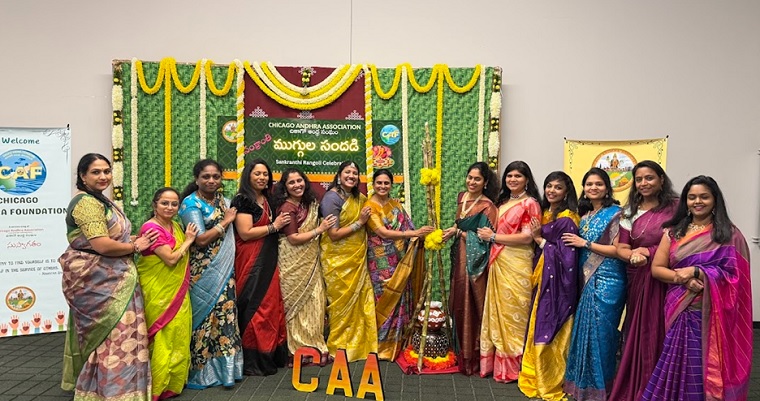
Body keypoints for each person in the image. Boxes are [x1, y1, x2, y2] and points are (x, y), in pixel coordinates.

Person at [641, 176, 752, 401]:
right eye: (692, 197)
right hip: (680, 309)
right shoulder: (673, 232)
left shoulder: (729, 234)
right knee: (675, 362)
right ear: (685, 201)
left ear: (715, 200)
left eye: (704, 197)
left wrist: (698, 272)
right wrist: (682, 278)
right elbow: (657, 269)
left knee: (703, 367)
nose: (697, 202)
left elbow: (737, 278)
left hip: (712, 315)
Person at [59, 153, 158, 400]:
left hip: (117, 277)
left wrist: (133, 240)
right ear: (82, 176)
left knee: (124, 333)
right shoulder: (86, 203)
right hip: (99, 282)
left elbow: (110, 239)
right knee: (115, 334)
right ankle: (109, 392)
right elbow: (102, 245)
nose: (103, 176)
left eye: (107, 171)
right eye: (96, 172)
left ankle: (123, 390)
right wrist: (135, 246)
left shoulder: (101, 200)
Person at [609, 161, 678, 401]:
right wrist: (632, 256)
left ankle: (666, 386)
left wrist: (648, 252)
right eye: (639, 179)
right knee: (641, 329)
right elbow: (622, 247)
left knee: (665, 328)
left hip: (668, 278)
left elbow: (682, 240)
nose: (643, 183)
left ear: (661, 179)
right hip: (638, 276)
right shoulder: (629, 211)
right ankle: (641, 382)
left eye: (649, 178)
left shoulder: (676, 208)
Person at [562, 167, 626, 401]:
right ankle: (583, 386)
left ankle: (602, 388)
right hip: (585, 279)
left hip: (609, 280)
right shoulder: (585, 215)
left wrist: (585, 243)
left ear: (607, 188)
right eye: (589, 184)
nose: (593, 188)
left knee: (602, 334)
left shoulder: (617, 214)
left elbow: (618, 250)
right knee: (585, 332)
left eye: (598, 184)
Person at [178, 159, 243, 388]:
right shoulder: (190, 204)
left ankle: (227, 372)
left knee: (226, 316)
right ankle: (201, 373)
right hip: (203, 271)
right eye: (206, 176)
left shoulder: (223, 201)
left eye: (216, 176)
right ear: (197, 179)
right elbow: (201, 239)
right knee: (205, 318)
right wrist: (225, 222)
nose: (211, 181)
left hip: (225, 270)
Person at [475, 161, 541, 382]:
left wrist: (493, 237)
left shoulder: (531, 203)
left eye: (518, 176)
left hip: (518, 263)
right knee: (498, 312)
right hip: (499, 261)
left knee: (516, 313)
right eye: (509, 176)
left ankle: (515, 366)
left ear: (527, 180)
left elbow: (527, 237)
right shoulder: (502, 202)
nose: (513, 179)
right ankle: (497, 365)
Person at [518, 171, 580, 401]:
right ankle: (534, 370)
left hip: (558, 282)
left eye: (558, 187)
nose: (552, 191)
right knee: (538, 319)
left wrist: (539, 239)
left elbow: (568, 257)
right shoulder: (545, 213)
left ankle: (549, 377)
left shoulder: (568, 219)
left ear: (567, 192)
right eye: (549, 186)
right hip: (542, 275)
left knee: (549, 321)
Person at [364, 169, 434, 360]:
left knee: (401, 296)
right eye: (379, 183)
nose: (383, 186)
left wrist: (421, 236)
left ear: (391, 185)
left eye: (386, 183)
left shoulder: (396, 205)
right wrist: (413, 234)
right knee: (384, 297)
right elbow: (383, 233)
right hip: (380, 261)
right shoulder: (369, 207)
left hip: (401, 259)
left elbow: (409, 227)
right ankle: (381, 345)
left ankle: (398, 342)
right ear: (373, 184)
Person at [136, 187, 198, 400]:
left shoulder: (175, 226)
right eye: (164, 203)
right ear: (155, 205)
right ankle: (156, 386)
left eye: (174, 204)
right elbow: (170, 259)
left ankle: (171, 384)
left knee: (178, 334)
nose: (170, 207)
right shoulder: (151, 228)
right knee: (161, 336)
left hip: (177, 290)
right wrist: (189, 240)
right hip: (158, 291)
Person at [230, 159, 290, 375]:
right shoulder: (242, 200)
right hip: (250, 260)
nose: (262, 177)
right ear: (248, 175)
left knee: (271, 306)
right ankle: (254, 360)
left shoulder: (268, 199)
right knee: (255, 307)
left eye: (265, 174)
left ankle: (270, 353)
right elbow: (245, 233)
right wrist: (274, 226)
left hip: (269, 259)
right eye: (257, 173)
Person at [272, 168, 337, 366]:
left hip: (311, 262)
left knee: (316, 302)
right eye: (291, 182)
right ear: (285, 187)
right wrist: (320, 229)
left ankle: (315, 346)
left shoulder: (310, 204)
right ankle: (297, 350)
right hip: (292, 262)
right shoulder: (287, 207)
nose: (297, 185)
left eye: (299, 180)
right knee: (296, 307)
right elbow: (293, 238)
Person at [442, 161, 499, 376]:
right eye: (470, 177)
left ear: (485, 183)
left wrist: (459, 233)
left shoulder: (487, 207)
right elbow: (459, 224)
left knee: (469, 302)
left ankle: (471, 356)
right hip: (459, 254)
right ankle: (458, 351)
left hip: (474, 261)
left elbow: (486, 241)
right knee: (456, 299)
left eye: (477, 179)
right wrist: (451, 231)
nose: (472, 182)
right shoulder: (462, 197)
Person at [319, 161, 378, 362]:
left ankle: (362, 345)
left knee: (361, 300)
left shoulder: (359, 198)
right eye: (347, 172)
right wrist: (360, 222)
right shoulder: (331, 198)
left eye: (355, 173)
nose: (351, 176)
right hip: (337, 261)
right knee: (340, 305)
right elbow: (333, 234)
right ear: (339, 175)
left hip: (357, 259)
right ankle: (339, 346)